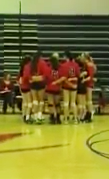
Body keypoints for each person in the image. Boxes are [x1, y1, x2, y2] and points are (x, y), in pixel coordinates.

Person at [53, 51, 80, 124]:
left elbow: (63, 77)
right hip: (74, 86)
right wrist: (73, 83)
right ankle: (75, 119)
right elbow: (78, 76)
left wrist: (68, 83)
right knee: (73, 103)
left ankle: (65, 119)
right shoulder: (76, 65)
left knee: (66, 103)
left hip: (66, 86)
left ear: (66, 57)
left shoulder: (63, 65)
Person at [30, 51, 48, 122]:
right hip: (41, 83)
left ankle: (34, 114)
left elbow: (28, 74)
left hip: (33, 83)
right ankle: (39, 115)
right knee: (41, 100)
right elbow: (46, 74)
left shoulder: (31, 63)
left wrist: (33, 78)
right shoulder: (43, 63)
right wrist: (40, 78)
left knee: (35, 100)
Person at [46, 53, 61, 124]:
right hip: (57, 88)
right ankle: (58, 118)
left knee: (51, 104)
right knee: (57, 104)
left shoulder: (49, 68)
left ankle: (52, 118)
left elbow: (46, 78)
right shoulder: (60, 68)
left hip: (50, 87)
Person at [81, 53, 96, 122]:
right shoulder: (89, 64)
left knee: (89, 100)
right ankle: (88, 113)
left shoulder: (89, 65)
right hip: (89, 83)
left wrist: (84, 80)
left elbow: (91, 76)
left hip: (89, 84)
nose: (81, 58)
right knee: (88, 100)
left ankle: (90, 114)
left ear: (85, 58)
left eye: (82, 57)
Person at [18, 55, 32, 123]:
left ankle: (23, 115)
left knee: (25, 102)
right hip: (27, 86)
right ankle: (27, 117)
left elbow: (18, 79)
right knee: (29, 103)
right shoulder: (28, 67)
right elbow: (27, 77)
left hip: (22, 87)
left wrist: (20, 85)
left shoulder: (21, 68)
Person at [76, 56, 87, 122]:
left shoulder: (77, 69)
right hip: (84, 86)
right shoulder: (84, 68)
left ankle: (79, 116)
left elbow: (77, 76)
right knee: (83, 103)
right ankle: (83, 116)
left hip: (79, 86)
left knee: (79, 103)